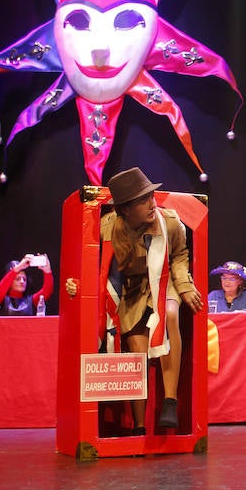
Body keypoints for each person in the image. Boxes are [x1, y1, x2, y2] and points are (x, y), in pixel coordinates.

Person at [66, 167, 203, 435]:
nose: (152, 203)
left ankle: (170, 402)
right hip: (131, 292)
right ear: (125, 210)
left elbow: (179, 255)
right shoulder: (108, 228)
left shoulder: (169, 222)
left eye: (151, 196)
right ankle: (139, 426)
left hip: (164, 281)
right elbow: (93, 264)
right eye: (142, 201)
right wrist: (77, 284)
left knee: (170, 315)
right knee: (137, 349)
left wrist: (185, 286)